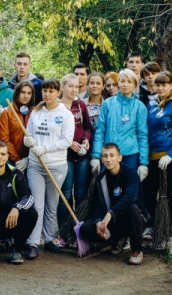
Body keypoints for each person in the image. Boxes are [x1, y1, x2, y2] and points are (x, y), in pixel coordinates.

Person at [23, 78, 74, 259]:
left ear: (58, 92)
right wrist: (28, 141)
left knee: (52, 205)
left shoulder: (66, 114)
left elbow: (67, 140)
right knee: (37, 205)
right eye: (45, 90)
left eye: (51, 91)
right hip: (36, 165)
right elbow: (27, 134)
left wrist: (45, 148)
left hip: (56, 166)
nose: (47, 94)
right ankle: (33, 243)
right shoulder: (36, 111)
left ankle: (50, 239)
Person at [79, 143, 147, 265]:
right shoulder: (100, 179)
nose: (108, 159)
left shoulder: (130, 173)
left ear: (119, 158)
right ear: (102, 159)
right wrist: (98, 221)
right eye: (105, 156)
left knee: (132, 208)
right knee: (85, 229)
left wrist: (110, 213)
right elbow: (97, 204)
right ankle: (116, 240)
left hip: (132, 218)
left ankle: (137, 250)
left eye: (112, 155)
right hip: (113, 221)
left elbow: (130, 196)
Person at [142, 71, 172, 244]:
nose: (160, 88)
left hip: (171, 158)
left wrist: (169, 156)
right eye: (158, 85)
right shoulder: (152, 104)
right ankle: (154, 224)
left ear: (171, 86)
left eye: (164, 85)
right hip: (152, 157)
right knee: (149, 192)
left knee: (171, 193)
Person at [91, 69, 149, 180]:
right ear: (118, 83)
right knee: (106, 187)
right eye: (122, 81)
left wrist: (143, 163)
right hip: (108, 155)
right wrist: (96, 156)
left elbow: (142, 135)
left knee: (128, 187)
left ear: (135, 84)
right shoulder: (108, 104)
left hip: (130, 155)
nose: (125, 84)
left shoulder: (140, 107)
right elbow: (100, 131)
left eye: (129, 81)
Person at [57, 74, 93, 233]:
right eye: (70, 86)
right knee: (65, 194)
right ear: (62, 87)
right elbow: (53, 133)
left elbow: (88, 127)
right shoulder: (56, 106)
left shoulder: (81, 105)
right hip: (64, 157)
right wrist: (69, 143)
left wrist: (86, 139)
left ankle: (80, 229)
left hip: (82, 156)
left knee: (80, 194)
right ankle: (64, 229)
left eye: (77, 87)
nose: (74, 89)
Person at [0, 80, 35, 171]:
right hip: (11, 158)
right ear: (17, 93)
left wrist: (28, 158)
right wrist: (17, 159)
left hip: (30, 159)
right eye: (23, 92)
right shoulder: (7, 112)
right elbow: (4, 139)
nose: (26, 96)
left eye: (29, 93)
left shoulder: (34, 112)